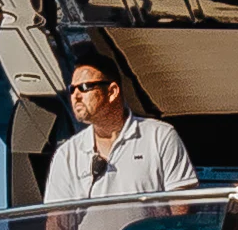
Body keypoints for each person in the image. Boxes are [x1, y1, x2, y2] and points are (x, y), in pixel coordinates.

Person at [39, 46, 196, 205]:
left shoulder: (160, 136)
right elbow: (57, 217)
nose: (76, 96)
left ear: (112, 91)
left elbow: (181, 206)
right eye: (72, 89)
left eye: (85, 87)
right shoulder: (67, 153)